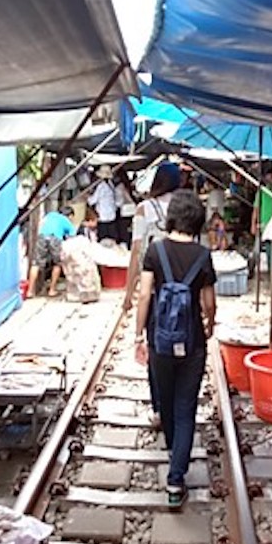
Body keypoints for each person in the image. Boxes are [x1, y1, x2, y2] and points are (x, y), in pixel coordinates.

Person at [134, 191, 216, 508]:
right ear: (197, 221)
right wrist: (210, 324)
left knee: (165, 402)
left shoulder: (155, 252)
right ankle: (176, 478)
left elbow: (144, 296)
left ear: (171, 218)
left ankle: (174, 450)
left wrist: (139, 334)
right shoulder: (203, 255)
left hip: (161, 341)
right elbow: (209, 302)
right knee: (185, 408)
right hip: (192, 342)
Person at [123, 162, 182, 426]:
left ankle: (159, 410)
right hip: (184, 285)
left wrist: (129, 293)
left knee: (157, 347)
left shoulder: (143, 209)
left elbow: (137, 252)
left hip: (156, 286)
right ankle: (179, 406)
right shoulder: (186, 207)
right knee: (183, 345)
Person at [27, 206, 76, 297]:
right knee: (57, 264)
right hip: (55, 238)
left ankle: (30, 291)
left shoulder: (50, 215)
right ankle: (52, 290)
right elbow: (73, 237)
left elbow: (42, 223)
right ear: (70, 216)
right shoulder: (66, 221)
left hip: (42, 236)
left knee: (36, 263)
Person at [88, 165, 118, 242]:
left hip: (103, 217)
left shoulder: (101, 186)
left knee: (103, 240)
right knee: (112, 239)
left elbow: (92, 201)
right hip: (112, 216)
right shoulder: (111, 185)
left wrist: (87, 198)